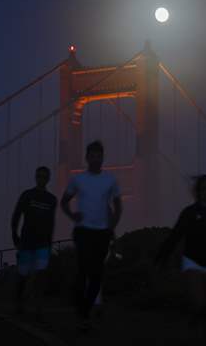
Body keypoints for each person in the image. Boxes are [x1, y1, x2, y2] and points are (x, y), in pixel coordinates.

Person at [155, 174, 206, 345]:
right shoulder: (188, 213)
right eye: (204, 189)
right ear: (197, 191)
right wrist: (162, 257)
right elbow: (176, 235)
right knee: (200, 302)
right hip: (193, 260)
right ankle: (195, 325)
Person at [60, 140, 122, 331]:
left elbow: (117, 207)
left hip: (102, 233)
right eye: (93, 155)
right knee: (83, 272)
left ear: (103, 158)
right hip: (83, 231)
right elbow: (64, 201)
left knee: (96, 275)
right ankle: (83, 311)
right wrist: (72, 215)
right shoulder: (78, 179)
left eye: (99, 155)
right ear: (87, 158)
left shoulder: (110, 180)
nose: (96, 159)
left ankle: (84, 312)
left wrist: (112, 227)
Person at [11, 166, 58, 319]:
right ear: (35, 177)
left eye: (44, 176)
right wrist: (14, 235)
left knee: (40, 276)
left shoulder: (52, 200)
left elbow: (51, 222)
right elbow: (16, 215)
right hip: (27, 241)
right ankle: (19, 304)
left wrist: (50, 243)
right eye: (39, 176)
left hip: (43, 243)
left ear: (48, 179)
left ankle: (38, 309)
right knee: (23, 275)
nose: (41, 179)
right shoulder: (27, 195)